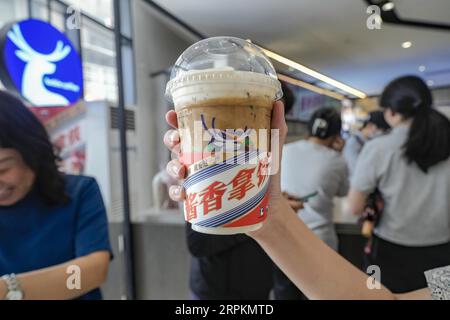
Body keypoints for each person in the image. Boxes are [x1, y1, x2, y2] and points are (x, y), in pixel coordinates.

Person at [163, 99, 450, 300]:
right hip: (309, 248)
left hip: (282, 265)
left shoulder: (366, 149)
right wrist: (268, 215)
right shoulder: (338, 159)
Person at [0, 91, 112, 300]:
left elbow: (91, 272)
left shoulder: (79, 192)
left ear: (32, 153)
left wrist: (10, 289)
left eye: (3, 169)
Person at [348, 75, 450, 293]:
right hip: (443, 252)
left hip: (388, 252)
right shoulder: (446, 140)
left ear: (392, 112)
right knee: (440, 298)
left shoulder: (379, 148)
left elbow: (355, 207)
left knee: (378, 297)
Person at [343, 111, 390, 177]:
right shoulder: (353, 143)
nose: (381, 134)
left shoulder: (369, 141)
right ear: (369, 125)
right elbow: (356, 170)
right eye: (382, 130)